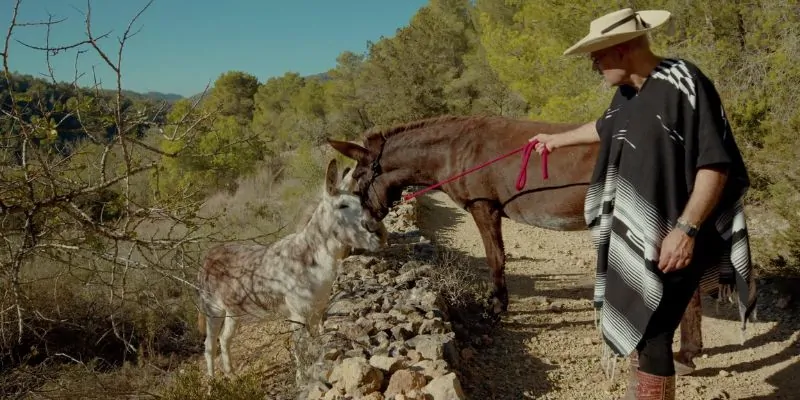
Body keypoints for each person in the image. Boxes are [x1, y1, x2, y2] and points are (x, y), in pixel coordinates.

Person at [530, 8, 757, 400]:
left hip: (682, 233)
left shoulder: (683, 81)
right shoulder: (627, 95)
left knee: (651, 330)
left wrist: (685, 231)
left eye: (597, 56)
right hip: (649, 234)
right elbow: (605, 127)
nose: (594, 65)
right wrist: (554, 140)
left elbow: (715, 163)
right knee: (645, 329)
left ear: (622, 49)